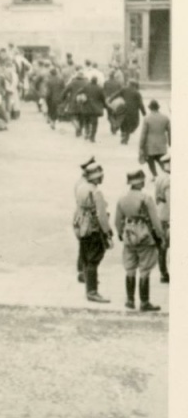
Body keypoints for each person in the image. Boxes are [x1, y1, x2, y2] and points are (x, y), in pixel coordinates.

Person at [115, 170, 164, 312]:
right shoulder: (146, 198)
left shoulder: (122, 198)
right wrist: (160, 236)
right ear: (141, 182)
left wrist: (120, 233)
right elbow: (155, 221)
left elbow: (118, 221)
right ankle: (144, 302)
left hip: (129, 235)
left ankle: (130, 300)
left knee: (130, 268)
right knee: (145, 269)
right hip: (145, 235)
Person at [73, 162, 113, 303]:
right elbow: (101, 215)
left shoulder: (81, 187)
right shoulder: (96, 192)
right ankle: (92, 291)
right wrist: (107, 232)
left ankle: (89, 290)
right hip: (94, 228)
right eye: (101, 176)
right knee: (94, 259)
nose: (102, 178)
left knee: (85, 258)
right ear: (96, 177)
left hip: (82, 226)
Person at [139, 100, 171, 180]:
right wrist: (170, 143)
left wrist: (141, 146)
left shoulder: (147, 118)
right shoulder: (165, 118)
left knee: (150, 160)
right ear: (158, 107)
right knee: (162, 160)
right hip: (162, 143)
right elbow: (170, 131)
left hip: (150, 144)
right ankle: (169, 172)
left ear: (150, 108)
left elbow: (143, 134)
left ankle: (155, 175)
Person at [155, 153, 170, 284]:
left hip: (160, 213)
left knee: (162, 247)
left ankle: (163, 272)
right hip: (168, 216)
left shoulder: (160, 177)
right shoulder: (170, 180)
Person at [117, 79, 146, 145]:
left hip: (123, 110)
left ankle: (123, 135)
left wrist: (110, 100)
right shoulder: (137, 92)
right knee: (131, 125)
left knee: (123, 123)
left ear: (129, 84)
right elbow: (140, 104)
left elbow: (116, 95)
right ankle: (125, 138)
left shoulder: (124, 89)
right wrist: (144, 113)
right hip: (133, 112)